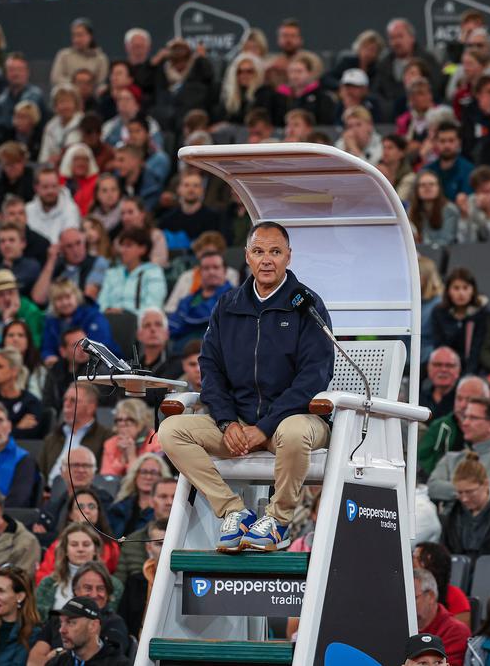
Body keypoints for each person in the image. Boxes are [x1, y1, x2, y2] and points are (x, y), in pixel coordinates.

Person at [157, 221, 332, 552]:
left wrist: (264, 427)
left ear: (288, 257)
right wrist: (226, 421)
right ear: (248, 257)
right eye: (259, 251)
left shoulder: (306, 305)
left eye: (275, 252)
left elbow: (314, 377)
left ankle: (277, 522)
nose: (267, 260)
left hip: (293, 422)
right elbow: (210, 368)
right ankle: (234, 511)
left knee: (294, 432)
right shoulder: (228, 304)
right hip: (237, 424)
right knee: (171, 431)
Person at [426, 394, 490, 501]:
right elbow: (432, 487)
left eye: (473, 418)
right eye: (465, 417)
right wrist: (471, 490)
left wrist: (450, 488)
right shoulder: (451, 458)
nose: (465, 423)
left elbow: (489, 493)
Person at [41, 595, 130, 666]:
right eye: (61, 622)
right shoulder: (57, 662)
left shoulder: (118, 663)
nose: (61, 630)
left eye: (71, 622)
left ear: (93, 626)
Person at [411, 568, 470, 664]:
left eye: (414, 598)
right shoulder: (397, 627)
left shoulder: (455, 631)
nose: (406, 604)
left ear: (430, 596)